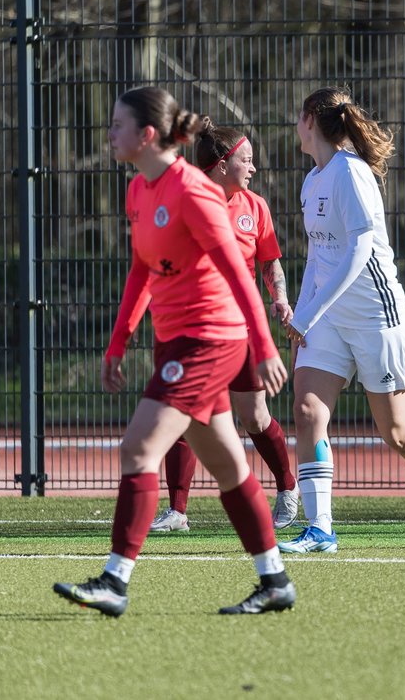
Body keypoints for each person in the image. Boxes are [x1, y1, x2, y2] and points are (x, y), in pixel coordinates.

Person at [54, 87, 293, 616]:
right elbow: (141, 269)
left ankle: (114, 582)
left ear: (145, 135)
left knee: (139, 447)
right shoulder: (140, 190)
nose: (108, 134)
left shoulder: (193, 192)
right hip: (181, 340)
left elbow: (237, 270)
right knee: (229, 466)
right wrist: (119, 341)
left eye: (117, 125)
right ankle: (274, 579)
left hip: (211, 339)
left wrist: (262, 345)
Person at [278, 87, 405, 553]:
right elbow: (320, 260)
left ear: (310, 121)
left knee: (398, 433)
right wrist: (302, 317)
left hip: (375, 318)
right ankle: (320, 527)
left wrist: (311, 312)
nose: (295, 127)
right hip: (327, 322)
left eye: (298, 118)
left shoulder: (351, 172)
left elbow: (360, 249)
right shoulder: (312, 180)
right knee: (307, 415)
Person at [149, 124, 300, 533]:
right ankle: (177, 511)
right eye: (245, 160)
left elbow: (269, 262)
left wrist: (279, 298)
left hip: (243, 330)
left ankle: (288, 488)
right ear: (220, 166)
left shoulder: (256, 206)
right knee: (184, 411)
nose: (252, 167)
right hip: (197, 328)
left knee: (253, 417)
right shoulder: (188, 203)